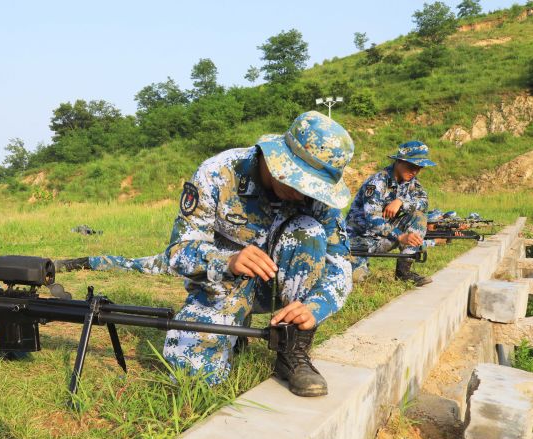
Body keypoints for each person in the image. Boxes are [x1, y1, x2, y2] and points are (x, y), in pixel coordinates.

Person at [59, 111, 354, 397]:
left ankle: (293, 352)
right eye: (299, 183)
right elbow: (178, 252)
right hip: (223, 285)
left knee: (308, 231)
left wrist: (316, 306)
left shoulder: (316, 198)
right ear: (279, 161)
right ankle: (234, 325)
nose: (303, 196)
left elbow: (339, 264)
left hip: (282, 288)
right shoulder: (218, 173)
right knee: (193, 377)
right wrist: (228, 261)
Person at [345, 141, 436, 286]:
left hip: (384, 237)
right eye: (411, 166)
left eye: (419, 168)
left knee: (418, 216)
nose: (415, 171)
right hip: (360, 240)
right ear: (399, 161)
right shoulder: (377, 182)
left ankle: (404, 272)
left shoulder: (411, 182)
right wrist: (401, 236)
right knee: (358, 278)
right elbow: (372, 221)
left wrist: (401, 202)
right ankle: (358, 265)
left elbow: (424, 202)